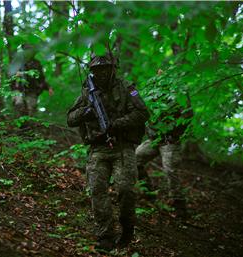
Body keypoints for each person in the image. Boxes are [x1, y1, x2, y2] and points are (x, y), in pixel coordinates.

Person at [67, 53, 149, 250]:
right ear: (92, 72)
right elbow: (70, 118)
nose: (101, 73)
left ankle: (127, 228)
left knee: (126, 190)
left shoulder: (127, 88)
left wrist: (116, 124)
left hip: (122, 146)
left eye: (105, 69)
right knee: (97, 190)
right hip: (97, 147)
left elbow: (142, 113)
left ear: (113, 69)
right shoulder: (88, 92)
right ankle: (106, 236)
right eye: (97, 70)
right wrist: (86, 111)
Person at [135, 69, 193, 217]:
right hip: (154, 140)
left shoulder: (175, 97)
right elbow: (139, 104)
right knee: (134, 159)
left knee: (170, 171)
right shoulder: (150, 96)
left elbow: (187, 115)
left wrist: (175, 134)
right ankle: (148, 191)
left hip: (170, 142)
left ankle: (180, 206)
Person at [11, 44, 53, 116]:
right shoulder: (17, 62)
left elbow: (41, 78)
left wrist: (48, 87)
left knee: (31, 109)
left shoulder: (36, 63)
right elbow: (10, 76)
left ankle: (30, 126)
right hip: (18, 89)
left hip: (32, 90)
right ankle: (17, 125)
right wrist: (15, 75)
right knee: (19, 105)